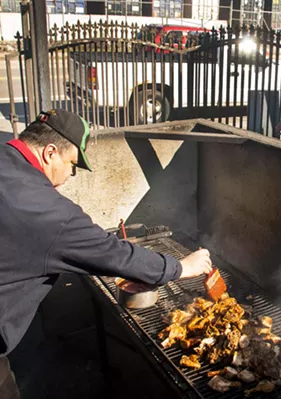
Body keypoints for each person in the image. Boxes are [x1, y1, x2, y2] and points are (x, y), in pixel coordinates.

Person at [0, 109, 213, 398]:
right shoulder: (44, 209)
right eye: (72, 164)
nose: (70, 176)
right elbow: (112, 253)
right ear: (50, 153)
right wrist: (179, 267)